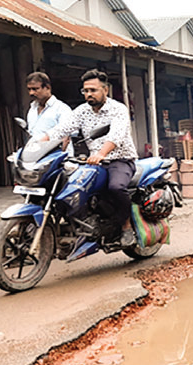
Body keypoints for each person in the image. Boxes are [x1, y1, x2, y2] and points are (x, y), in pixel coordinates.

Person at [43, 69, 138, 246]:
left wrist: (101, 154)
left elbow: (115, 136)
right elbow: (61, 129)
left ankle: (126, 226)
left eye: (93, 90)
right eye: (85, 91)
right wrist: (37, 142)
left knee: (116, 187)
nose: (89, 94)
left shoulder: (118, 109)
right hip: (95, 163)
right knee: (70, 186)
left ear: (105, 90)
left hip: (120, 160)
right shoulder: (82, 111)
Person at [25, 72, 73, 156]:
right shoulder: (32, 109)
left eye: (35, 89)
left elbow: (67, 134)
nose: (31, 93)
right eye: (29, 89)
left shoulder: (62, 109)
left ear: (47, 88)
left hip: (57, 158)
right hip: (36, 158)